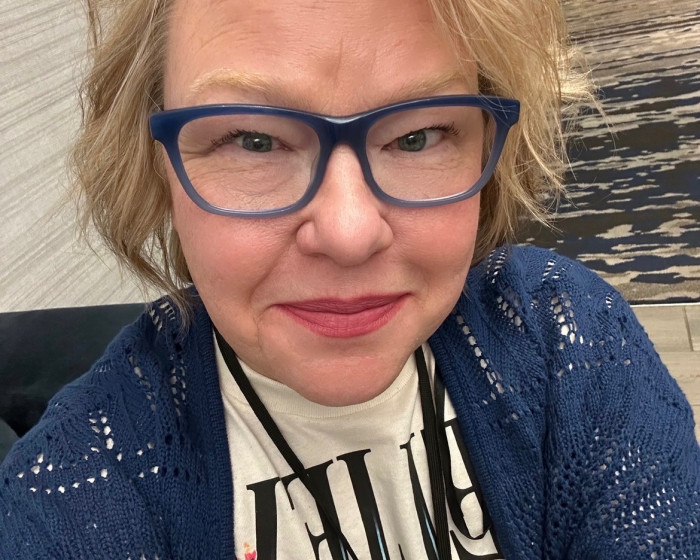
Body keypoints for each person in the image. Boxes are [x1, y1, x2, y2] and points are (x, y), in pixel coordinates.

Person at [1, 0, 698, 557]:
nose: (348, 232)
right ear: (158, 166)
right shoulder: (79, 483)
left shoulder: (572, 344)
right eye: (254, 140)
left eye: (418, 136)